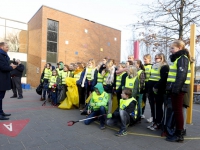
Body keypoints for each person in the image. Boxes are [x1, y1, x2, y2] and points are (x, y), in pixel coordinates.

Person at [166, 40, 191, 142]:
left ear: (179, 48)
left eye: (172, 48)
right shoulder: (179, 59)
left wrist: (175, 89)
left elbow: (181, 75)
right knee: (177, 111)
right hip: (176, 88)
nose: (170, 50)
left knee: (178, 111)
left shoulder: (182, 58)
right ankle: (178, 132)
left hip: (178, 89)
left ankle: (179, 134)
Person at [147, 53, 169, 131]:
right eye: (155, 58)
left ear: (162, 58)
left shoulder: (164, 67)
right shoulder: (154, 66)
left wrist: (156, 86)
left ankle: (158, 123)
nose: (156, 59)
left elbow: (163, 79)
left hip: (158, 89)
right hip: (151, 88)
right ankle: (154, 121)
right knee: (153, 107)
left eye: (158, 58)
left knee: (158, 107)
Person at [0, 42, 17, 120]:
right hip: (1, 80)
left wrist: (10, 66)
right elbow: (3, 67)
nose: (8, 48)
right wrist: (11, 67)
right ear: (2, 47)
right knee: (0, 97)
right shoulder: (0, 55)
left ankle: (1, 112)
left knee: (1, 97)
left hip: (3, 79)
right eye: (6, 47)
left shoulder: (3, 55)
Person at [142, 54, 153, 121]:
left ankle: (152, 116)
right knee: (143, 100)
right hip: (143, 85)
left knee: (151, 101)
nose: (144, 60)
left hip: (149, 85)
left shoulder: (152, 66)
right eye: (144, 59)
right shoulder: (142, 66)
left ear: (149, 59)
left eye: (145, 59)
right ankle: (142, 114)